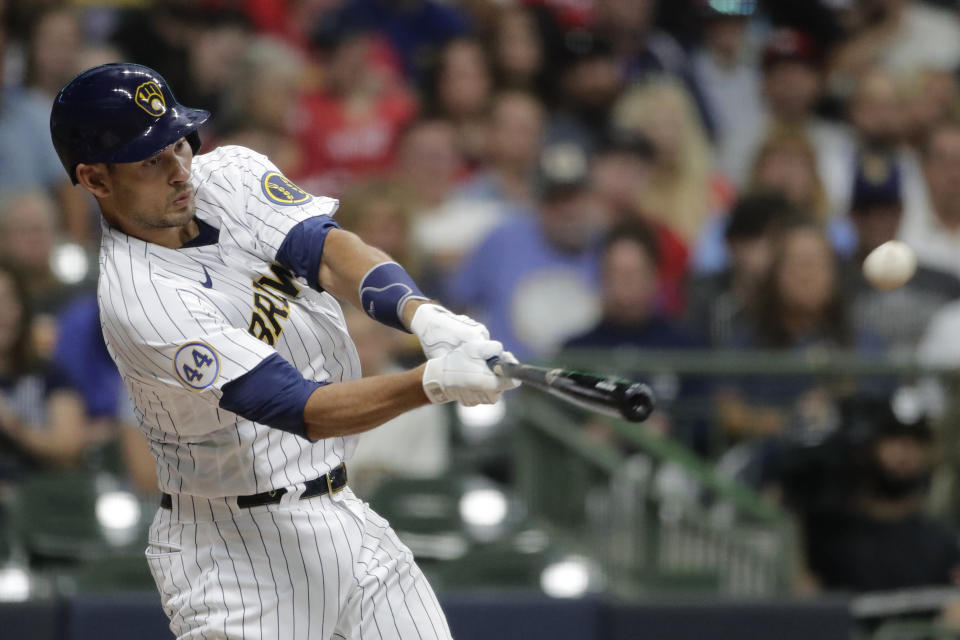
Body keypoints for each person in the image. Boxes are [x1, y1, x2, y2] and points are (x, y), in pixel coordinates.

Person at [50, 62, 518, 640]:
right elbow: (300, 409)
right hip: (233, 557)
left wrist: (423, 315)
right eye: (151, 160)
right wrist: (433, 381)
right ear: (95, 180)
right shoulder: (139, 298)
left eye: (179, 145)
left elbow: (325, 250)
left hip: (339, 510)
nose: (179, 171)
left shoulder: (230, 174)